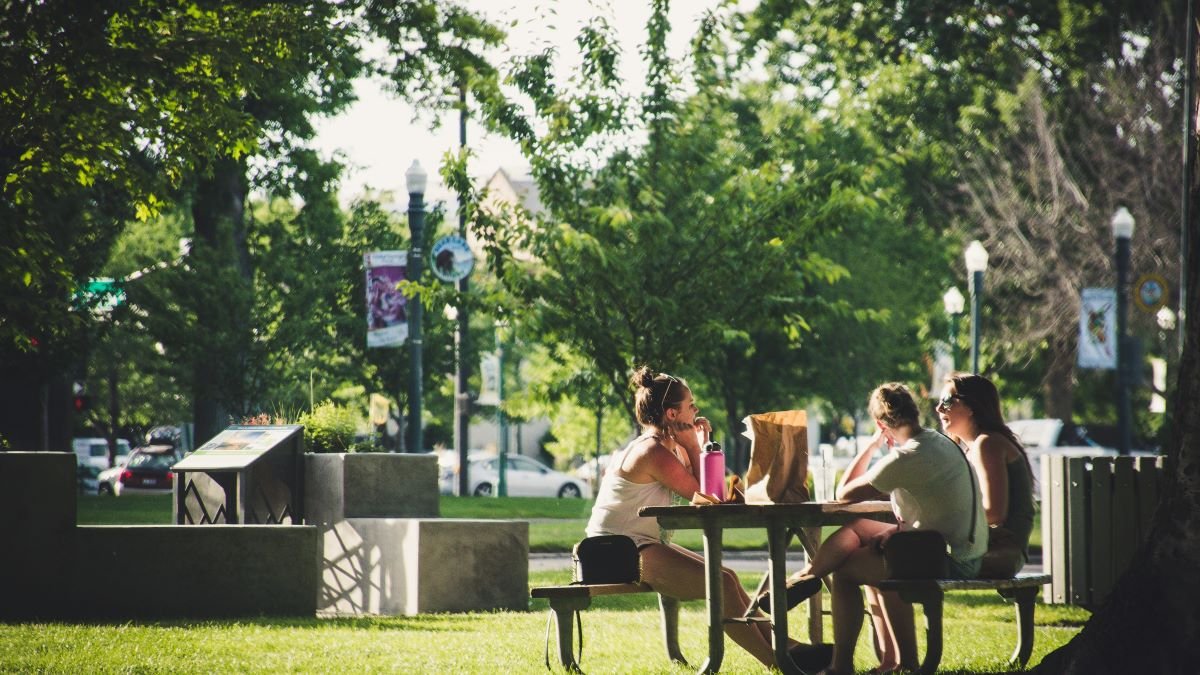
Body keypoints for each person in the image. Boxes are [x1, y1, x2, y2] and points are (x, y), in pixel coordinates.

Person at [586, 367, 826, 669]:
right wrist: (694, 446)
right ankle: (781, 664)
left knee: (728, 578)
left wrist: (700, 445)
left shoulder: (668, 448)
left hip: (635, 544)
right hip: (612, 552)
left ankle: (788, 648)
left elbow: (713, 490)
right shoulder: (652, 451)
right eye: (691, 405)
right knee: (721, 584)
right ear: (672, 414)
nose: (696, 409)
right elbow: (706, 498)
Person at [753, 382, 987, 675]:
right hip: (958, 548)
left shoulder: (907, 456)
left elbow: (844, 492)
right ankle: (810, 577)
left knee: (847, 571)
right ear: (914, 411)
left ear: (880, 423)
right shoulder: (939, 440)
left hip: (950, 559)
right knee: (858, 527)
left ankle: (843, 665)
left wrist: (873, 444)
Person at [937, 372, 1036, 578]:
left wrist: (942, 522)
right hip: (987, 548)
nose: (939, 409)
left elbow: (994, 513)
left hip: (1002, 553)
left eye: (947, 401)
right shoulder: (972, 448)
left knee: (908, 564)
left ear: (972, 406)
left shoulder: (987, 444)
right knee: (900, 559)